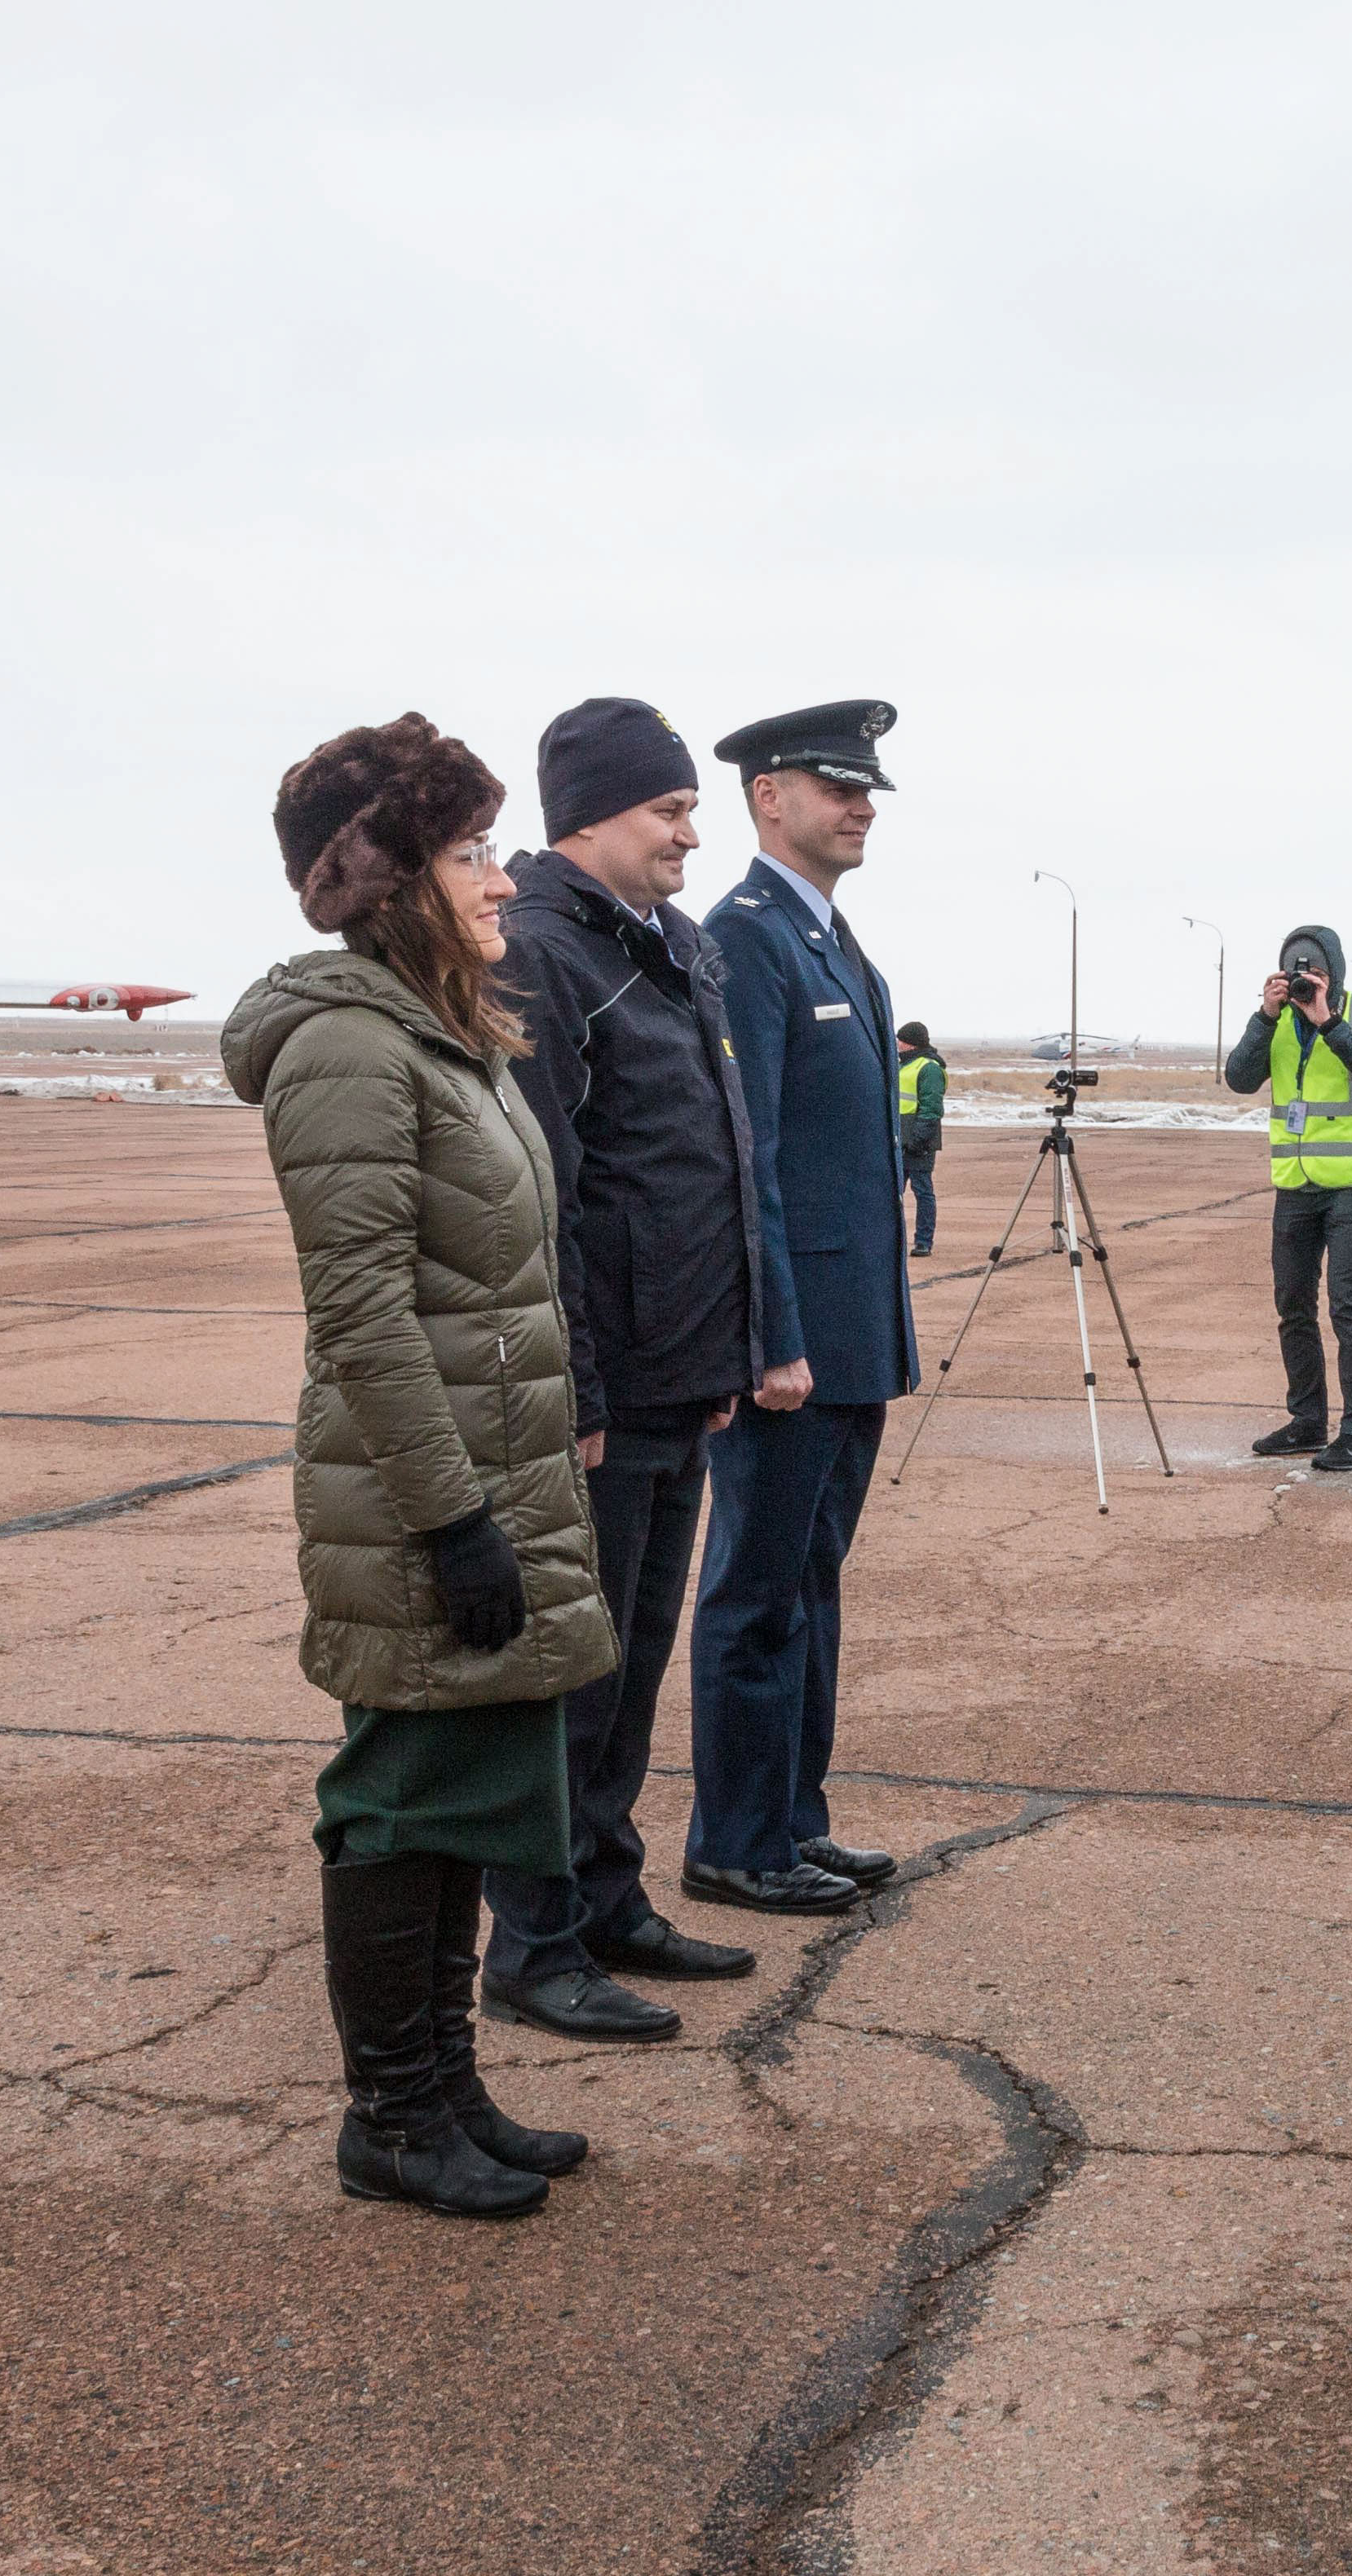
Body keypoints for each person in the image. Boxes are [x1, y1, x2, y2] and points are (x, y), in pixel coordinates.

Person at [223, 710, 619, 2221]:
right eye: (467, 851)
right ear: (387, 876)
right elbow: (365, 1309)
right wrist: (455, 1518)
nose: (501, 876)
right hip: (416, 1488)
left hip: (489, 1465)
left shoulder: (444, 1028)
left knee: (467, 1786)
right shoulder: (343, 1043)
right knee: (400, 1794)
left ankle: (447, 2085)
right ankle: (391, 2112)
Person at [483, 695, 769, 2046]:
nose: (690, 835)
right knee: (576, 1675)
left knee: (637, 1659)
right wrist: (580, 1394)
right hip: (604, 1399)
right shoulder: (540, 954)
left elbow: (711, 1162)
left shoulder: (675, 950)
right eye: (669, 811)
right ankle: (533, 1940)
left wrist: (733, 1346)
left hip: (684, 1372)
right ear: (588, 816)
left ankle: (608, 1897)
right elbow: (549, 1197)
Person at [687, 699, 918, 1917]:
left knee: (809, 1588)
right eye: (837, 785)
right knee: (756, 1592)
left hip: (849, 1332)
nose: (861, 804)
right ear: (768, 796)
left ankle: (791, 1819)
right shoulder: (747, 940)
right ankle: (732, 1838)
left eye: (866, 787)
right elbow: (749, 1162)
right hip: (792, 1345)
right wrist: (769, 1334)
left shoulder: (833, 943)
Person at [1225, 924, 1352, 1473]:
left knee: (1348, 1306)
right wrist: (1264, 1016)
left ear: (1335, 974)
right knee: (1292, 1305)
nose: (1306, 983)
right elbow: (1237, 1078)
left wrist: (1328, 1021)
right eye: (1296, 974)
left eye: (1316, 974)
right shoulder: (1274, 1022)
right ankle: (1306, 1421)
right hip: (1294, 1187)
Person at [891, 1018, 944, 1256]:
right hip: (899, 1140)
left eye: (901, 1040)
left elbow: (931, 1107)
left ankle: (923, 1241)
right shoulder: (903, 1065)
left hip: (918, 1142)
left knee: (923, 1191)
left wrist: (919, 1140)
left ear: (910, 1044)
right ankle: (894, 1240)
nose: (898, 1044)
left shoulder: (929, 1068)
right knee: (893, 1193)